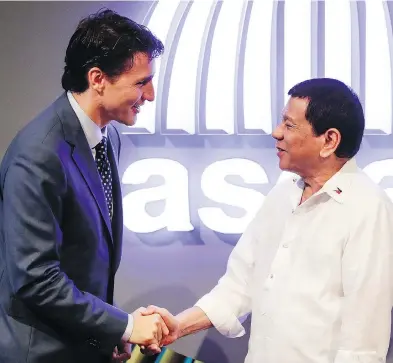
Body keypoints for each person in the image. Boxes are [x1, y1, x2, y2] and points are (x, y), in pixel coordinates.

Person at [142, 78, 393, 363]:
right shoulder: (282, 193)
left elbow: (363, 341)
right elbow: (238, 286)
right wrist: (179, 326)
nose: (276, 133)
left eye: (289, 125)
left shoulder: (369, 209)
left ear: (329, 140)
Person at [0, 9, 174, 363]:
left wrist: (106, 332)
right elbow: (36, 279)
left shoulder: (105, 137)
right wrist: (124, 326)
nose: (151, 95)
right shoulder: (38, 154)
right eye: (141, 82)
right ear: (98, 79)